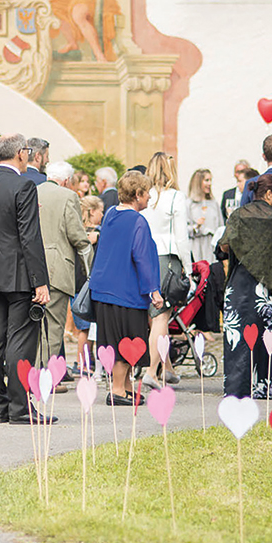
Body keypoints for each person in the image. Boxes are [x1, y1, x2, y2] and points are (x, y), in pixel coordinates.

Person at [0, 133, 52, 425]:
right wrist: (40, 280)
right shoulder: (24, 185)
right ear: (20, 153)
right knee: (20, 341)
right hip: (18, 273)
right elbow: (30, 236)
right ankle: (20, 408)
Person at [219, 174, 272, 398]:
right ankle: (262, 386)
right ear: (268, 193)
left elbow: (224, 246)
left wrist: (245, 250)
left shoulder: (238, 214)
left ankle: (236, 387)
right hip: (266, 287)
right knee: (266, 335)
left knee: (237, 334)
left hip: (239, 284)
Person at [90, 170, 162, 404]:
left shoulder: (111, 214)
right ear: (138, 194)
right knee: (126, 339)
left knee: (115, 338)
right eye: (147, 192)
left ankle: (126, 386)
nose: (149, 197)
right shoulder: (138, 221)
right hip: (125, 291)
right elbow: (142, 258)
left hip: (104, 289)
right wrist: (154, 290)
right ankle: (118, 390)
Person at [38, 160, 92, 365]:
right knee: (53, 327)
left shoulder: (32, 192)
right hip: (57, 268)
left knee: (32, 328)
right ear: (67, 180)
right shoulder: (68, 196)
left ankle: (30, 372)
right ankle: (45, 375)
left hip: (29, 268)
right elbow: (77, 236)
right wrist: (90, 271)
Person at [141, 152, 188, 387]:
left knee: (154, 316)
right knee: (161, 316)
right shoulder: (175, 197)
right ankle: (152, 371)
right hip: (166, 257)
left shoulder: (144, 196)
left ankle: (167, 366)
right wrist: (188, 266)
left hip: (142, 256)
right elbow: (182, 236)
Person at [186, 168, 221, 267]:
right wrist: (196, 227)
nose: (209, 183)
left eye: (210, 180)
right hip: (196, 248)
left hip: (212, 249)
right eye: (206, 180)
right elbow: (183, 230)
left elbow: (220, 227)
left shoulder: (213, 203)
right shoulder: (189, 204)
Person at [221, 161, 252, 225]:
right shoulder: (227, 194)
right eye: (238, 172)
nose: (239, 174)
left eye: (243, 171)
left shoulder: (253, 195)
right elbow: (222, 215)